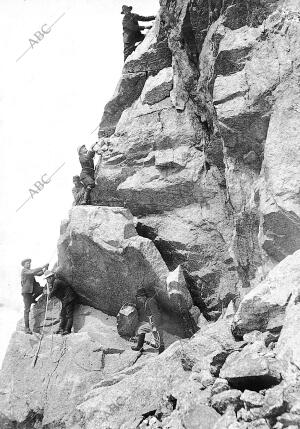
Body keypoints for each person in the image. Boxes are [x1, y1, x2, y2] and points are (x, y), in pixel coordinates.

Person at [131, 287, 165, 354]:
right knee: (141, 329)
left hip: (155, 322)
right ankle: (139, 347)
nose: (139, 300)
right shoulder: (146, 301)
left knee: (157, 336)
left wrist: (156, 325)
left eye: (140, 298)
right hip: (151, 321)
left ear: (144, 296)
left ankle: (161, 351)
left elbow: (156, 313)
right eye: (138, 299)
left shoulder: (151, 301)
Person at [44, 270, 77, 335]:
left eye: (47, 279)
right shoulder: (54, 283)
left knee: (69, 315)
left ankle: (68, 330)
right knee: (62, 314)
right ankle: (61, 329)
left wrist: (49, 295)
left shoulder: (56, 282)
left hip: (69, 299)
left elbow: (53, 292)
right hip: (65, 300)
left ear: (50, 278)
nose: (47, 281)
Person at [21, 259, 49, 334]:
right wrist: (43, 266)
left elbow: (39, 274)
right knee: (27, 310)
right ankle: (27, 328)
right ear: (24, 265)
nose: (29, 265)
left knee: (41, 289)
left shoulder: (29, 271)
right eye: (27, 263)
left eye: (29, 263)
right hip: (26, 292)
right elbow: (33, 272)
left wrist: (45, 268)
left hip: (31, 291)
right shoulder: (24, 270)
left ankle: (32, 299)